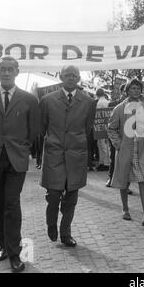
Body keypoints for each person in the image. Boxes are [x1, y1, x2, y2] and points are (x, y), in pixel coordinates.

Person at [0, 56, 40, 272]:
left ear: (17, 71)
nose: (6, 73)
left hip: (16, 158)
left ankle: (14, 252)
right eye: (2, 69)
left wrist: (22, 148)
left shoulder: (29, 100)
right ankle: (3, 244)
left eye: (10, 69)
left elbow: (33, 131)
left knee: (11, 204)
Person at [40, 65, 96, 247]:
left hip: (76, 155)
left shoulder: (88, 102)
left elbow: (87, 129)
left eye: (74, 75)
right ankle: (51, 223)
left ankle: (66, 233)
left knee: (72, 196)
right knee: (54, 194)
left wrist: (75, 141)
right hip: (54, 154)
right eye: (67, 75)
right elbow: (42, 127)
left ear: (79, 78)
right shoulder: (47, 100)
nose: (70, 78)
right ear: (61, 77)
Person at [108, 78, 144, 226]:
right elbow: (111, 128)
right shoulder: (119, 108)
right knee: (124, 181)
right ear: (127, 90)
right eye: (133, 88)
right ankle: (125, 209)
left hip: (141, 151)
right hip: (125, 149)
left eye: (138, 88)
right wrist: (118, 144)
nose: (136, 91)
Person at [95, 88, 110, 172]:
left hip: (100, 126)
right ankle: (103, 162)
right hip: (106, 125)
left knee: (102, 145)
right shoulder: (107, 101)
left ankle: (105, 163)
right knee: (103, 145)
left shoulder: (99, 102)